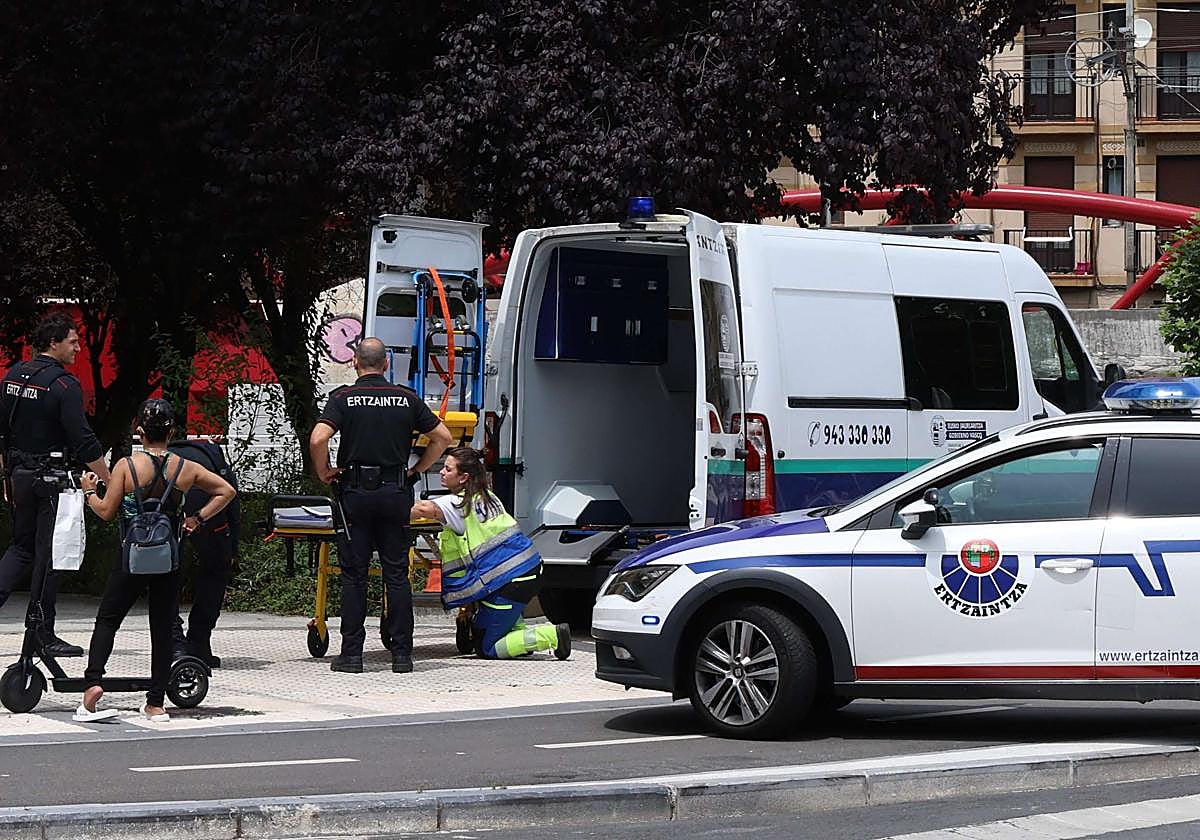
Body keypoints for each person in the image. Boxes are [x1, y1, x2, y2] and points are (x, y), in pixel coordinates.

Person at [75, 399, 235, 722]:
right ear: (172, 431)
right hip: (168, 560)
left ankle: (93, 687)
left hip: (130, 558)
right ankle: (156, 703)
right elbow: (226, 491)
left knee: (108, 619)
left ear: (139, 432)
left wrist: (89, 492)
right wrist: (197, 519)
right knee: (162, 628)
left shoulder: (127, 466)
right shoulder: (185, 467)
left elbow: (106, 512)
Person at [309, 337, 453, 674]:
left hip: (355, 495)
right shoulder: (406, 398)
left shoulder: (343, 397)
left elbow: (318, 438)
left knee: (354, 576)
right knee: (397, 575)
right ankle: (402, 655)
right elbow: (443, 438)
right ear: (386, 364)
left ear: (355, 363)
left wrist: (324, 471)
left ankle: (352, 656)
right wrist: (417, 470)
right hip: (394, 492)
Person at [0, 311, 111, 657]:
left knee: (21, 549)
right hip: (52, 480)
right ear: (54, 342)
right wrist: (110, 480)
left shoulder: (13, 376)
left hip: (18, 475)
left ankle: (38, 629)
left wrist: (5, 475)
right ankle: (43, 634)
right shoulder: (64, 385)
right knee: (51, 557)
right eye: (73, 341)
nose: (78, 348)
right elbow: (84, 441)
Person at [411, 447, 570, 661]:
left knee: (488, 647)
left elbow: (420, 509)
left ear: (464, 477)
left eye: (448, 469)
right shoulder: (488, 497)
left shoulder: (457, 503)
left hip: (510, 579)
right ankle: (520, 638)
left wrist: (378, 503)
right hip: (524, 571)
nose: (441, 472)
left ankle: (552, 636)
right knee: (497, 630)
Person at [166, 438, 240, 669]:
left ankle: (175, 645)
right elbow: (231, 499)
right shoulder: (213, 458)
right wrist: (232, 549)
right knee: (216, 569)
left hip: (169, 500)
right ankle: (199, 643)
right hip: (209, 507)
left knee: (165, 575)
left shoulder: (163, 457)